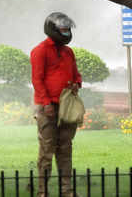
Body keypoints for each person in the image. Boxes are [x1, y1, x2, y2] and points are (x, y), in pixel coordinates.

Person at [30, 12, 82, 197]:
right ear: (52, 29)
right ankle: (42, 192)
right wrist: (46, 104)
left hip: (67, 106)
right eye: (63, 29)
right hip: (48, 107)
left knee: (65, 148)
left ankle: (67, 191)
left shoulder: (68, 52)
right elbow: (37, 80)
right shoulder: (40, 51)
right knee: (47, 149)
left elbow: (76, 74)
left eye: (68, 29)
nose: (66, 32)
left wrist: (77, 83)